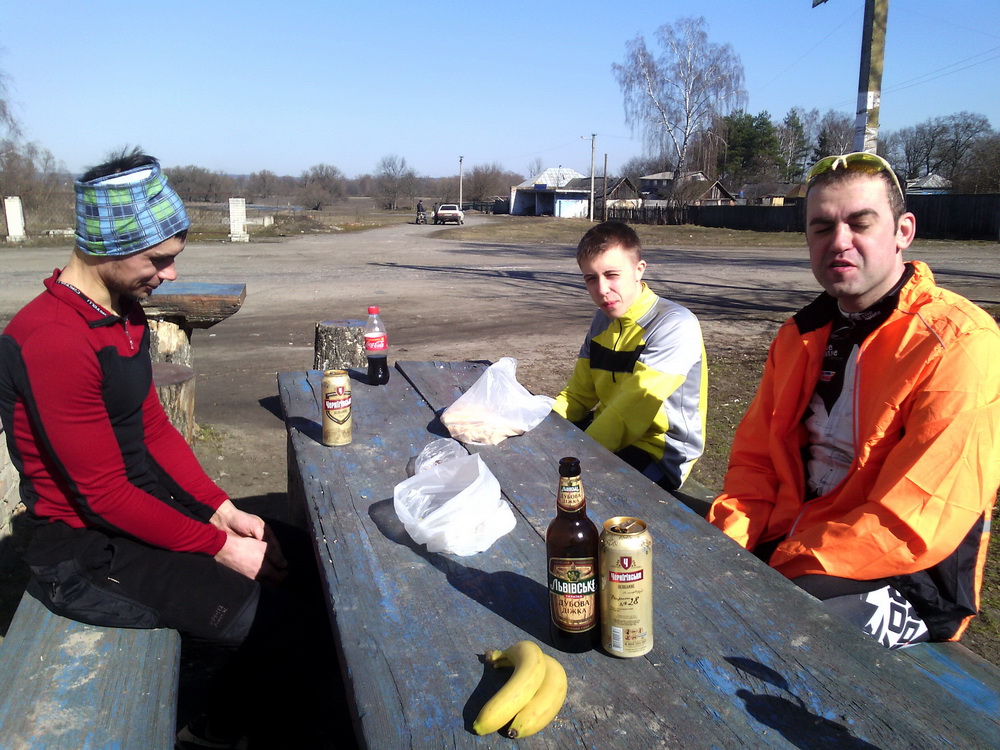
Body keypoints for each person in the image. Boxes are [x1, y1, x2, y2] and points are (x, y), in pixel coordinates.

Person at [0, 149, 335, 746]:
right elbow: (102, 496)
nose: (171, 274)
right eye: (158, 259)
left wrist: (222, 510)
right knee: (288, 630)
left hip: (146, 514)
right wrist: (220, 547)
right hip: (87, 553)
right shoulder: (53, 339)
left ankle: (230, 718)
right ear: (106, 247)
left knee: (313, 565)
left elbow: (152, 428)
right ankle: (217, 733)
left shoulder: (122, 311)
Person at [708, 152, 1000, 649]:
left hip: (909, 578)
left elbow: (914, 520)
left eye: (860, 223)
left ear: (903, 231)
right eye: (822, 227)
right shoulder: (798, 335)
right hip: (793, 542)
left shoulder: (960, 342)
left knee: (764, 636)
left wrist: (778, 565)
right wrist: (725, 546)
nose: (839, 242)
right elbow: (755, 463)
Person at [552, 221, 707, 492]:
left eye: (612, 275)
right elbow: (578, 396)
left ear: (639, 270)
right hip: (607, 433)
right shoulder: (602, 320)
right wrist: (537, 423)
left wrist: (578, 456)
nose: (602, 289)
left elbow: (630, 410)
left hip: (660, 453)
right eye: (591, 278)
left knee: (561, 489)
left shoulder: (675, 324)